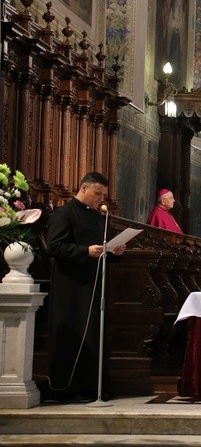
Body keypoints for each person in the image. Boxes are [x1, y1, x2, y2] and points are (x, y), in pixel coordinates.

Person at [47, 172, 127, 401]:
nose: (101, 199)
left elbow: (99, 249)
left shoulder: (97, 217)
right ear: (84, 188)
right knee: (72, 337)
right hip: (70, 288)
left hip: (93, 286)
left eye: (103, 195)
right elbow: (54, 246)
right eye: (97, 193)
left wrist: (113, 251)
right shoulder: (64, 214)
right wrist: (85, 251)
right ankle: (68, 388)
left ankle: (92, 387)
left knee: (93, 335)